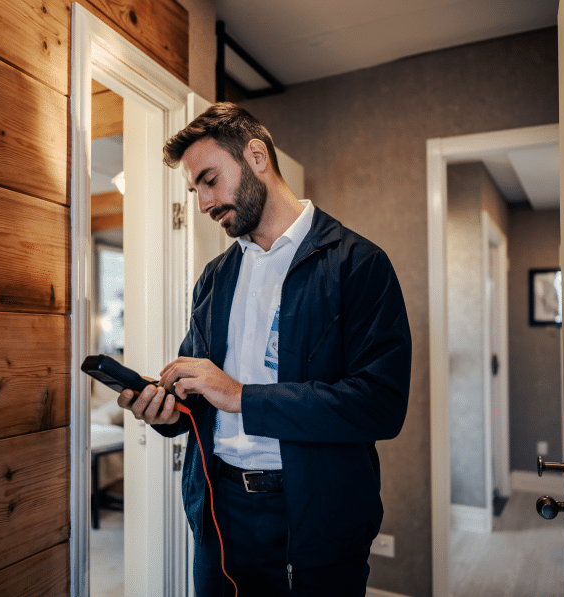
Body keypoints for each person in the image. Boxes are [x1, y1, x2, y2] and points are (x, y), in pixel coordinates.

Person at [117, 102, 411, 596]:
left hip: (315, 522)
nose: (204, 203)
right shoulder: (215, 278)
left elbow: (380, 405)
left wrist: (240, 395)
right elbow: (200, 391)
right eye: (194, 191)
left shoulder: (359, 265)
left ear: (256, 156)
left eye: (209, 180)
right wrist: (166, 411)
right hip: (219, 516)